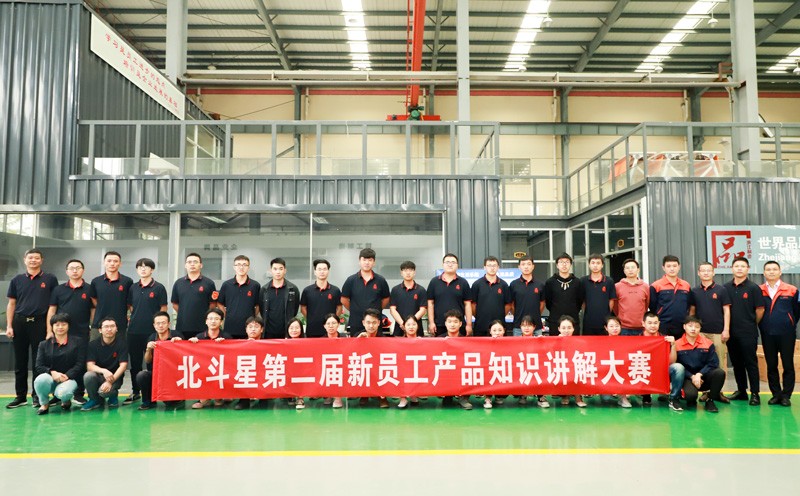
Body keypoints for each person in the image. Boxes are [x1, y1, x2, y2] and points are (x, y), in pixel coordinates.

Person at [5, 248, 59, 409]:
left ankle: (37, 396)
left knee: (39, 362)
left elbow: (53, 305)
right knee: (20, 362)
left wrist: (50, 329)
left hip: (40, 323)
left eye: (36, 258)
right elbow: (11, 304)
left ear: (42, 260)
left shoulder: (50, 279)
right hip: (20, 323)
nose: (33, 260)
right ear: (25, 260)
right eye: (30, 258)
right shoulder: (17, 280)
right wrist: (9, 325)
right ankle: (20, 396)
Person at [46, 258, 93, 404]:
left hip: (82, 332)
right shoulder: (58, 289)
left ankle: (78, 393)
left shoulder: (90, 289)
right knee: (59, 361)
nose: (75, 270)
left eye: (78, 268)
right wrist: (49, 331)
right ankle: (57, 395)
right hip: (61, 332)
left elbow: (93, 309)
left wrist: (93, 327)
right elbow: (52, 310)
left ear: (83, 270)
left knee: (80, 363)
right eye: (72, 268)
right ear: (67, 271)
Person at [125, 257, 168, 406]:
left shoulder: (159, 288)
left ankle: (151, 393)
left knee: (152, 363)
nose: (143, 269)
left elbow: (163, 309)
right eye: (140, 267)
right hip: (134, 331)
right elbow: (131, 307)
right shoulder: (133, 287)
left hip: (152, 332)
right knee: (135, 363)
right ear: (137, 270)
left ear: (152, 269)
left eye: (146, 266)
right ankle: (135, 391)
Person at [758, 261, 799, 407]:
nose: (771, 272)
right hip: (767, 333)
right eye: (768, 269)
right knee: (771, 365)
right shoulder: (759, 290)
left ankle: (786, 395)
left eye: (774, 269)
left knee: (788, 364)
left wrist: (789, 322)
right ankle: (776, 394)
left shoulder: (792, 289)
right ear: (764, 273)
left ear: (780, 272)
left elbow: (797, 311)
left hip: (786, 333)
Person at [724, 256, 764, 406]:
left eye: (742, 266)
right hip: (731, 332)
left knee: (750, 362)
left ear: (748, 269)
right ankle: (741, 391)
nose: (739, 268)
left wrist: (751, 323)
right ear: (732, 269)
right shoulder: (725, 288)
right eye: (737, 266)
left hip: (748, 332)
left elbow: (760, 310)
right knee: (737, 363)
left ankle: (755, 393)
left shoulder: (753, 288)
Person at [671, 316, 727, 413]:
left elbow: (713, 363)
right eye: (690, 326)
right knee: (691, 396)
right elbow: (676, 365)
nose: (693, 329)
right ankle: (685, 395)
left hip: (703, 377)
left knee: (720, 373)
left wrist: (699, 374)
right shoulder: (677, 344)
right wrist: (692, 376)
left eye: (697, 327)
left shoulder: (708, 343)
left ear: (700, 328)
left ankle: (710, 400)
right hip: (687, 378)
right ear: (684, 327)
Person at [33, 313, 86, 415]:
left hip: (70, 379)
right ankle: (44, 404)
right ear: (52, 327)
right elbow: (39, 366)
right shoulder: (44, 344)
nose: (60, 327)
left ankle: (65, 400)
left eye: (63, 324)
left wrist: (67, 375)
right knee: (40, 380)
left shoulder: (78, 342)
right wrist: (52, 372)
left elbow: (80, 364)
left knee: (63, 393)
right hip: (51, 378)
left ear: (68, 326)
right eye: (57, 325)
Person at [689, 261, 731, 375]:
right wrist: (692, 329)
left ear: (713, 273)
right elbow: (692, 312)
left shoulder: (721, 290)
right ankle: (704, 386)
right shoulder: (694, 291)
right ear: (698, 273)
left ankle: (719, 386)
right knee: (701, 362)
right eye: (703, 271)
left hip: (718, 332)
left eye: (708, 270)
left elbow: (726, 310)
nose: (706, 273)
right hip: (700, 332)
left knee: (720, 362)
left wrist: (726, 330)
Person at [136, 311, 182, 411]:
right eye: (158, 323)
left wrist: (180, 344)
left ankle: (177, 397)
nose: (160, 326)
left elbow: (184, 356)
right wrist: (148, 349)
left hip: (173, 375)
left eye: (163, 323)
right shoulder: (152, 338)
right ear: (154, 325)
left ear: (168, 324)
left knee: (169, 403)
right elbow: (147, 360)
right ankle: (148, 401)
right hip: (157, 374)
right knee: (142, 375)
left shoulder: (176, 335)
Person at [82, 317, 129, 411]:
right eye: (106, 327)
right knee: (88, 375)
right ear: (100, 330)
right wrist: (104, 371)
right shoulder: (93, 345)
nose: (109, 329)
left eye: (112, 326)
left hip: (115, 377)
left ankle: (113, 395)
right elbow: (90, 366)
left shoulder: (122, 344)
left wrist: (110, 381)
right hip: (99, 376)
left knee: (103, 392)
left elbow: (123, 366)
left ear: (116, 329)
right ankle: (94, 399)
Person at [341, 248, 390, 337]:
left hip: (374, 322)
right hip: (356, 321)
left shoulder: (380, 280)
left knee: (376, 344)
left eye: (370, 260)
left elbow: (386, 299)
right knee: (356, 344)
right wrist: (355, 309)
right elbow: (344, 299)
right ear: (359, 261)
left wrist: (376, 310)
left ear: (374, 262)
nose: (367, 263)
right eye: (364, 260)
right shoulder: (351, 280)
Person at [189, 308, 232, 409]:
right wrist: (191, 344)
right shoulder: (199, 337)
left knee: (219, 401)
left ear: (221, 322)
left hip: (221, 370)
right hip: (204, 369)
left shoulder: (226, 337)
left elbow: (231, 358)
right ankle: (204, 398)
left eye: (216, 319)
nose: (213, 321)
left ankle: (219, 396)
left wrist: (225, 344)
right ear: (206, 321)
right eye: (210, 319)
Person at [171, 253, 217, 339]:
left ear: (201, 265)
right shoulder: (178, 283)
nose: (192, 264)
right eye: (189, 262)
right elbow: (175, 304)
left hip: (202, 327)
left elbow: (213, 304)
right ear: (185, 265)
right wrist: (185, 313)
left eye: (195, 262)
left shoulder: (209, 283)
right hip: (183, 326)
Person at [427, 253, 473, 337]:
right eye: (447, 262)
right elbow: (430, 303)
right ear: (443, 264)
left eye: (453, 262)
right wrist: (431, 322)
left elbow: (467, 304)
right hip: (439, 324)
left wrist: (469, 324)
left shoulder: (463, 282)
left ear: (457, 265)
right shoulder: (434, 282)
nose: (450, 264)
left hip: (458, 325)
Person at [90, 251, 133, 339]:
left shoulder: (127, 281)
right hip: (99, 324)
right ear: (104, 263)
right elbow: (94, 301)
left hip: (120, 325)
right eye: (109, 261)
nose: (112, 263)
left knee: (120, 347)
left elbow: (129, 302)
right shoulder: (96, 281)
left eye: (115, 261)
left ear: (120, 263)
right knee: (95, 347)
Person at [217, 255, 261, 339]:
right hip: (230, 326)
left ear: (248, 267)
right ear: (234, 267)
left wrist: (252, 316)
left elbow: (258, 305)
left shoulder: (255, 285)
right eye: (238, 264)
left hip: (249, 328)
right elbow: (220, 303)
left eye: (244, 265)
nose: (241, 267)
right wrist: (227, 315)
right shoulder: (226, 285)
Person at [649, 255, 691, 339]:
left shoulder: (686, 285)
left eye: (674, 266)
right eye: (668, 266)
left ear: (679, 267)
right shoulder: (656, 285)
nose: (672, 269)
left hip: (682, 326)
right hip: (663, 326)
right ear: (663, 268)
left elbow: (689, 305)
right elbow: (652, 307)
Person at [640, 312, 677, 407]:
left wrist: (673, 345)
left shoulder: (665, 339)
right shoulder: (637, 339)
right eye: (649, 323)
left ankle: (674, 398)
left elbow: (672, 362)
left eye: (655, 323)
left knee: (678, 367)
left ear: (659, 323)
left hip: (661, 369)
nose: (653, 326)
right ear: (643, 323)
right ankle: (645, 393)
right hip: (643, 369)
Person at [438, 309, 473, 410]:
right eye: (449, 322)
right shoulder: (438, 340)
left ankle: (464, 398)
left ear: (460, 324)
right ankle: (448, 395)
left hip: (461, 369)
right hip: (446, 369)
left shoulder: (466, 341)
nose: (452, 325)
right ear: (445, 323)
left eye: (455, 322)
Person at [300, 259, 342, 338]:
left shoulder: (335, 290)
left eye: (324, 269)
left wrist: (332, 322)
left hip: (330, 332)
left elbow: (339, 308)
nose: (322, 272)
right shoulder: (307, 290)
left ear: (328, 271)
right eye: (319, 269)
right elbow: (303, 308)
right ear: (315, 272)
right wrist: (312, 319)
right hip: (312, 330)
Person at [260, 258, 300, 339]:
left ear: (285, 270)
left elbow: (294, 310)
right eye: (275, 269)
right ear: (271, 271)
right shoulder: (264, 289)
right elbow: (262, 310)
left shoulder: (293, 289)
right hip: (268, 332)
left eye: (281, 269)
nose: (278, 272)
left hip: (286, 332)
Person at [471, 256, 511, 337]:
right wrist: (480, 315)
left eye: (494, 265)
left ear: (498, 267)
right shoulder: (477, 284)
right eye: (489, 265)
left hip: (499, 327)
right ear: (484, 267)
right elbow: (472, 304)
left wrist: (500, 314)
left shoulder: (504, 285)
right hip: (481, 325)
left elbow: (508, 304)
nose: (492, 268)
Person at [545, 253, 583, 336]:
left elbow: (579, 301)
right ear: (557, 265)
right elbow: (548, 302)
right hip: (555, 321)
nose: (564, 264)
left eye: (567, 262)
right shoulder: (550, 282)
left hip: (573, 321)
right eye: (561, 262)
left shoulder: (577, 282)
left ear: (570, 265)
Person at [508, 255, 546, 337]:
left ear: (533, 266)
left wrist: (535, 314)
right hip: (519, 326)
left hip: (536, 325)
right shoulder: (514, 284)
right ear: (519, 267)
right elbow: (511, 305)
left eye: (529, 264)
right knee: (518, 345)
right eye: (523, 264)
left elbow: (542, 304)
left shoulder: (540, 284)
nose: (526, 267)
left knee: (537, 345)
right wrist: (518, 315)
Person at [517, 315, 549, 408]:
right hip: (521, 367)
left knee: (541, 372)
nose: (526, 328)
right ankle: (522, 394)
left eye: (529, 325)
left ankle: (541, 396)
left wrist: (543, 342)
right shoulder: (515, 341)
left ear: (534, 327)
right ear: (520, 327)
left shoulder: (539, 339)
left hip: (535, 368)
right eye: (524, 325)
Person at [581, 254, 617, 336]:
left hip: (604, 321)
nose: (595, 265)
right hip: (588, 321)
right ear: (589, 265)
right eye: (593, 263)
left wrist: (606, 313)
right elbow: (583, 301)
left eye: (598, 263)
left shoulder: (609, 281)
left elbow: (611, 300)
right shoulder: (583, 281)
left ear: (602, 265)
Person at [389, 261, 427, 337]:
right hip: (399, 327)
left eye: (410, 270)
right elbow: (392, 310)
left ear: (414, 272)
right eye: (405, 270)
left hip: (416, 328)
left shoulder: (421, 290)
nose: (408, 273)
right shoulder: (395, 290)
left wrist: (411, 324)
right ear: (401, 273)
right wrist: (403, 324)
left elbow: (423, 310)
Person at [555, 316, 586, 408]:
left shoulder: (579, 342)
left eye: (569, 328)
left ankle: (578, 397)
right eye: (563, 328)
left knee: (577, 371)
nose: (566, 330)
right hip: (561, 368)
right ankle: (565, 395)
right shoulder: (555, 341)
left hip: (575, 367)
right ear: (559, 329)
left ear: (573, 329)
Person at [613, 258, 649, 336]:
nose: (630, 270)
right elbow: (615, 306)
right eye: (627, 268)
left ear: (638, 270)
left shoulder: (645, 287)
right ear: (624, 271)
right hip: (623, 328)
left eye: (633, 267)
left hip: (641, 327)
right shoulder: (617, 286)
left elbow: (646, 304)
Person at [604, 316, 631, 408]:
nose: (614, 328)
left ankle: (623, 397)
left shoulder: (626, 342)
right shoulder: (601, 342)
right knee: (606, 399)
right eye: (611, 326)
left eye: (617, 326)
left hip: (621, 372)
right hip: (606, 373)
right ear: (606, 328)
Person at [397, 315, 422, 409]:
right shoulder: (399, 341)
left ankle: (413, 394)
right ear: (404, 326)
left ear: (417, 326)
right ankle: (403, 398)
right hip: (404, 367)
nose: (411, 327)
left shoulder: (423, 341)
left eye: (414, 324)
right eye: (408, 325)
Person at [322, 313, 344, 409]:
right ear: (324, 326)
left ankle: (338, 397)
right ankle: (328, 394)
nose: (331, 326)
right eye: (328, 323)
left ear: (338, 324)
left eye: (334, 323)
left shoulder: (344, 339)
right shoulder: (320, 341)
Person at [483, 320, 506, 409]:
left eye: (500, 330)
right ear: (490, 331)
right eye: (494, 330)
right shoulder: (483, 343)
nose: (497, 333)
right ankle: (488, 397)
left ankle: (499, 395)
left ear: (504, 331)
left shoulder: (510, 343)